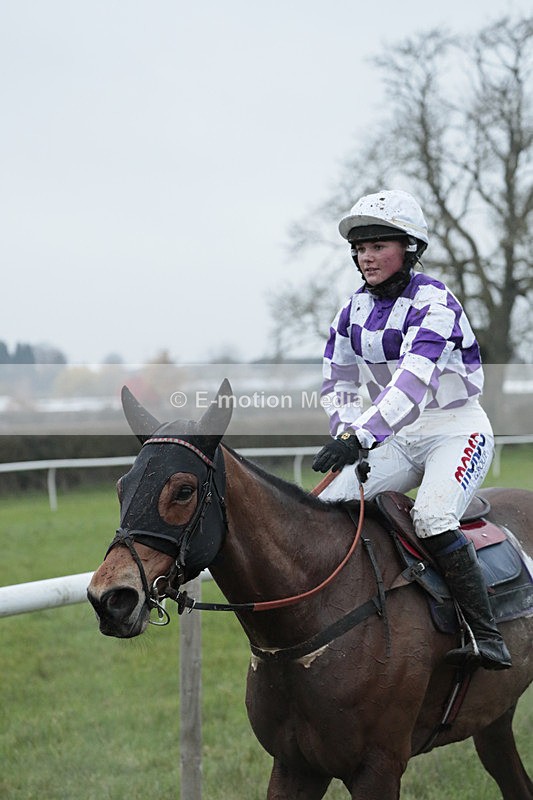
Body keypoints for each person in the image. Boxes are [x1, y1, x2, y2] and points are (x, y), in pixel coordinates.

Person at [312, 189, 511, 671]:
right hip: (396, 435)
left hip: (456, 429)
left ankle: (486, 635)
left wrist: (359, 436)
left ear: (410, 249)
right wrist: (346, 430)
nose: (366, 257)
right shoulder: (352, 310)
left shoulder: (436, 302)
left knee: (432, 518)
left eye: (378, 245)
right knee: (326, 509)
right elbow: (337, 378)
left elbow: (412, 382)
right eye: (360, 248)